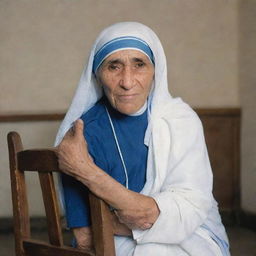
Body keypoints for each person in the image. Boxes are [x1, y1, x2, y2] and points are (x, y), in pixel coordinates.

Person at [55, 22, 230, 256]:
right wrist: (155, 223)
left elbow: (192, 207)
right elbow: (86, 236)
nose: (127, 82)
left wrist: (84, 170)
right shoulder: (82, 134)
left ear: (156, 70)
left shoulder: (180, 120)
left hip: (194, 234)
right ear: (97, 74)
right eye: (113, 67)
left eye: (139, 65)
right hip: (112, 241)